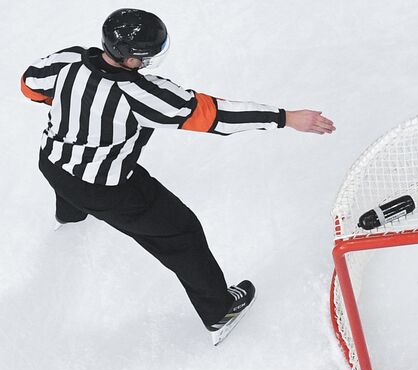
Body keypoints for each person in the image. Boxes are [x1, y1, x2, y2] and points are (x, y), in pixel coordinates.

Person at [21, 9, 336, 345]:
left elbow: (30, 86)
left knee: (69, 186)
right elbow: (215, 116)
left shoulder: (69, 60)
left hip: (52, 161)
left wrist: (78, 107)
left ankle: (70, 217)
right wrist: (285, 117)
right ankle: (219, 311)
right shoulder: (142, 95)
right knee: (182, 232)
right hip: (106, 188)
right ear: (130, 59)